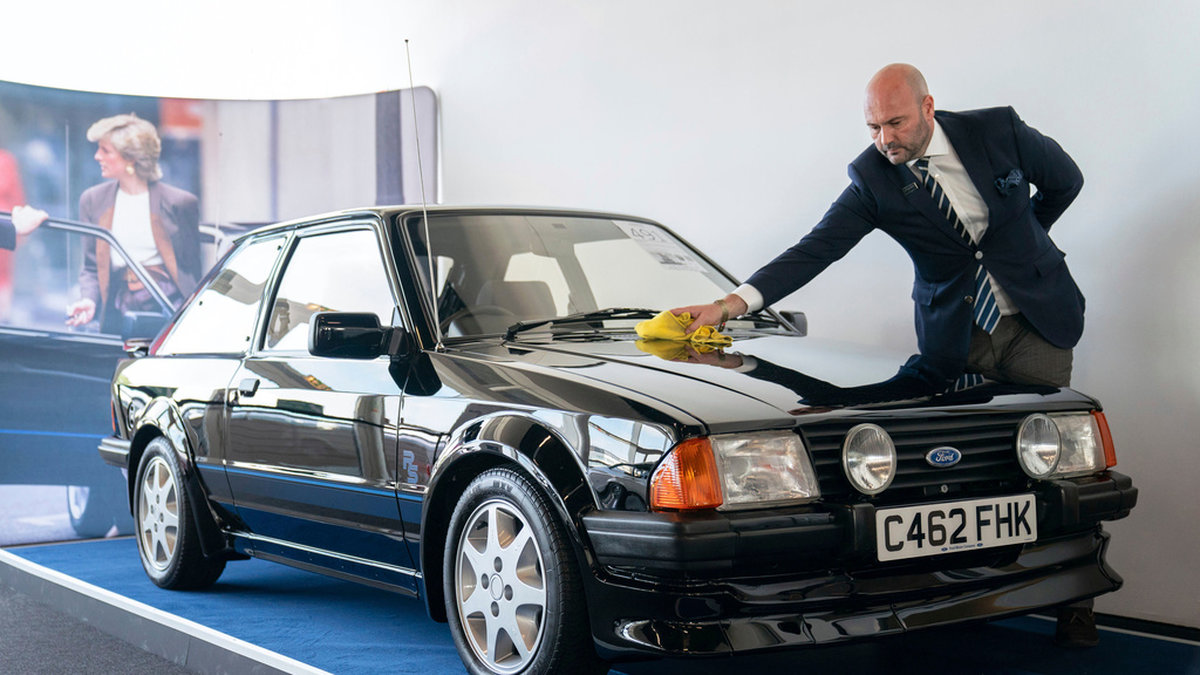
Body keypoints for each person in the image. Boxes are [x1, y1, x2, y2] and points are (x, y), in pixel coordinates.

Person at [672, 63, 1096, 646]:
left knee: (1055, 466)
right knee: (959, 472)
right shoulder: (873, 178)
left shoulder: (998, 130)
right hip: (957, 337)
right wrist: (729, 305)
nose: (884, 139)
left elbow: (1066, 181)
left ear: (928, 107)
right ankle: (958, 600)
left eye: (895, 123)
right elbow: (816, 248)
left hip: (1038, 320)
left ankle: (1074, 601)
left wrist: (1020, 244)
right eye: (872, 127)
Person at [63, 113, 200, 329]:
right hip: (117, 310)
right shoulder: (92, 200)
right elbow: (91, 267)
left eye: (105, 150)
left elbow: (191, 269)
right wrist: (89, 300)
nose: (97, 156)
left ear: (131, 158)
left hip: (167, 310)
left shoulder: (180, 203)